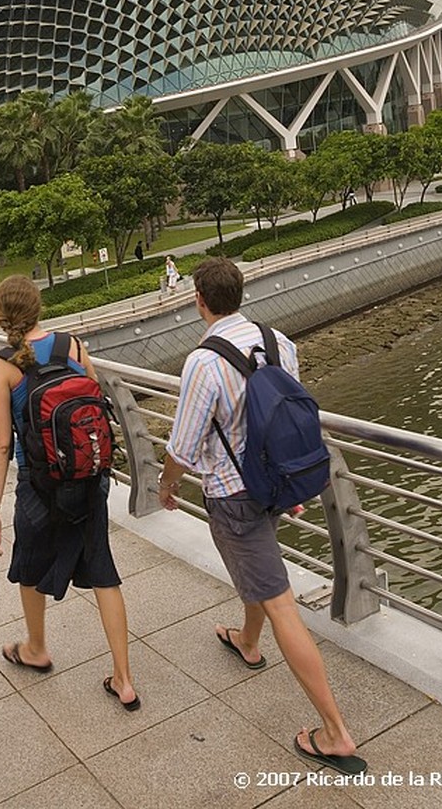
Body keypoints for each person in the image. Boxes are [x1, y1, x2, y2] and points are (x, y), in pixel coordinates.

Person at [158, 256, 367, 776]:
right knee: (261, 568)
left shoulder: (203, 363)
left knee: (281, 604)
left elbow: (184, 444)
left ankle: (336, 732)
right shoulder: (278, 342)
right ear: (240, 292)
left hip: (234, 495)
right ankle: (247, 642)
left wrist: (166, 484)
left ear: (200, 301)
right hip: (275, 482)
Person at [0, 274, 139, 710]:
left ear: (0, 317)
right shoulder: (71, 344)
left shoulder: (1, 365)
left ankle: (36, 648)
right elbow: (95, 400)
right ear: (39, 308)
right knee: (103, 571)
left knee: (30, 566)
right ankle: (124, 679)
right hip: (87, 478)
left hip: (38, 484)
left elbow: (0, 443)